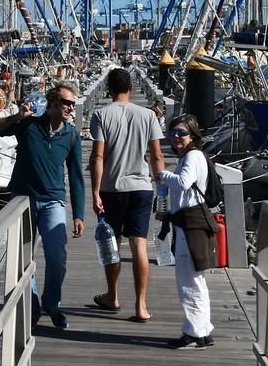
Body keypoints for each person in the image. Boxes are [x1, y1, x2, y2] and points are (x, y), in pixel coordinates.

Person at [0, 82, 85, 329]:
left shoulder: (71, 135)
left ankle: (52, 304)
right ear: (52, 104)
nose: (71, 108)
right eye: (66, 102)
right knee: (23, 259)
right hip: (22, 200)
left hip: (53, 201)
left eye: (73, 103)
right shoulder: (28, 126)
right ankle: (31, 306)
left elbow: (76, 176)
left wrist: (79, 214)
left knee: (57, 256)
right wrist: (17, 117)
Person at [89, 68, 165, 323]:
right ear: (131, 88)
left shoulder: (101, 114)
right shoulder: (147, 115)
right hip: (142, 187)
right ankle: (141, 305)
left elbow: (98, 156)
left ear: (109, 89)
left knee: (112, 245)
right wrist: (161, 184)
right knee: (139, 245)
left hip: (112, 188)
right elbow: (157, 155)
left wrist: (95, 192)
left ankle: (112, 296)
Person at [158, 114, 218, 349]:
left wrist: (162, 174)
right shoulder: (193, 156)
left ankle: (193, 334)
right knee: (196, 280)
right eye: (172, 133)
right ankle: (203, 330)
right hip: (190, 222)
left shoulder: (192, 157)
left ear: (192, 135)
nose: (175, 137)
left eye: (181, 133)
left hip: (191, 223)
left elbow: (183, 183)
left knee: (188, 280)